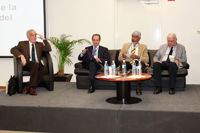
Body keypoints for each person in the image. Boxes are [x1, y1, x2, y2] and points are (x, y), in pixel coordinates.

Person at [11, 29, 52, 95]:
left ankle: (29, 87)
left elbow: (49, 49)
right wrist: (21, 55)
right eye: (32, 35)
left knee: (44, 69)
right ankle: (31, 88)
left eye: (35, 35)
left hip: (37, 64)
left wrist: (44, 39)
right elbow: (13, 49)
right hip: (27, 64)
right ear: (28, 37)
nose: (34, 37)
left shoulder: (39, 44)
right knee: (35, 65)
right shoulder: (22, 44)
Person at [118, 30, 149, 95]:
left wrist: (138, 57)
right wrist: (123, 56)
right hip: (128, 62)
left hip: (137, 62)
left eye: (135, 37)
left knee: (141, 64)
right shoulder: (125, 45)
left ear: (139, 39)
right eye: (132, 37)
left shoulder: (144, 47)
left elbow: (147, 59)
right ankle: (123, 85)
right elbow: (119, 58)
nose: (133, 39)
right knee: (122, 63)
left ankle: (138, 86)